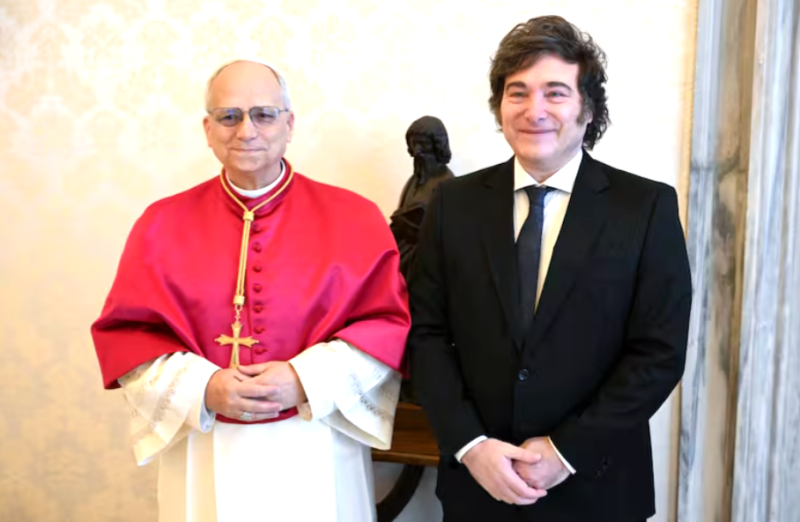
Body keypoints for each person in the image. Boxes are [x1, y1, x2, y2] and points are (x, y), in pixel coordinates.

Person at [91, 58, 410, 522]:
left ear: (289, 124)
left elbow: (387, 326)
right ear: (208, 129)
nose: (246, 130)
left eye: (263, 114)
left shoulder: (355, 217)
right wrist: (205, 386)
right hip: (203, 441)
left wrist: (303, 379)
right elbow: (129, 336)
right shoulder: (160, 224)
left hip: (316, 439)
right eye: (229, 116)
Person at [408, 16, 692, 522]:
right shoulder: (453, 204)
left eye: (555, 93)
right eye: (517, 93)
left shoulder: (645, 207)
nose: (533, 110)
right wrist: (470, 445)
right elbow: (426, 333)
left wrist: (566, 451)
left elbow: (659, 352)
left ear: (588, 109)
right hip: (479, 487)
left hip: (599, 488)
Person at [390, 115, 455, 280]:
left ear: (437, 146)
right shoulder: (413, 181)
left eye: (423, 144)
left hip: (427, 267)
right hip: (403, 260)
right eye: (414, 144)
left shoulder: (447, 184)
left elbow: (449, 236)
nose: (417, 151)